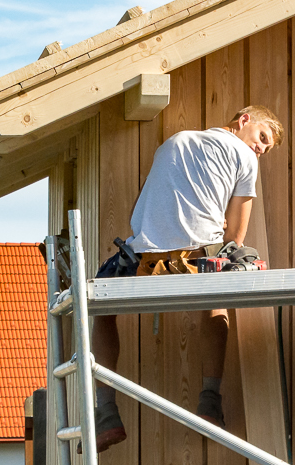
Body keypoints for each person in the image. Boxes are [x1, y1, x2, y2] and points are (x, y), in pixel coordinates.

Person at [90, 104, 282, 447]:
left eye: (264, 149)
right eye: (262, 138)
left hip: (143, 261)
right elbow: (235, 237)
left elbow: (140, 210)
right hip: (196, 259)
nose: (260, 149)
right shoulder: (244, 156)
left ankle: (105, 413)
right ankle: (209, 402)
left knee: (102, 310)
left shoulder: (174, 141)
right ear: (244, 120)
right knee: (216, 300)